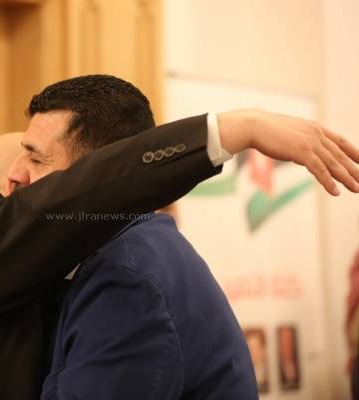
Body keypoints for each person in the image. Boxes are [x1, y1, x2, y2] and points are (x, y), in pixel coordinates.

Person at [0, 74, 359, 400]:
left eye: (36, 158)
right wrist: (236, 128)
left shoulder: (128, 270)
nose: (18, 177)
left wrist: (235, 128)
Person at [21, 77, 253, 399]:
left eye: (35, 159)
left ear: (94, 172)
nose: (16, 175)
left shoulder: (126, 278)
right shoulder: (120, 251)